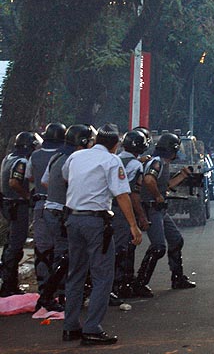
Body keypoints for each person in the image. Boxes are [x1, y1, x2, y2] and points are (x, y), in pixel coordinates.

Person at [61, 123, 142, 345]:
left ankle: (70, 327)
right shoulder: (111, 160)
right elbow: (122, 195)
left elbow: (65, 177)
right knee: (102, 276)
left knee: (75, 274)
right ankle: (92, 328)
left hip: (73, 219)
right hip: (96, 222)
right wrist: (133, 226)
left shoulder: (76, 157)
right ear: (115, 145)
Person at [37, 124, 96, 312]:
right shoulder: (74, 159)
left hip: (49, 208)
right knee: (65, 256)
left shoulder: (57, 156)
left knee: (60, 253)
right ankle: (51, 296)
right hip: (62, 212)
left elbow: (45, 181)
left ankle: (54, 293)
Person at [133, 132, 196, 298]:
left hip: (159, 210)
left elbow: (165, 185)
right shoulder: (156, 162)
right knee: (158, 247)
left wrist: (182, 176)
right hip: (152, 208)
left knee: (176, 240)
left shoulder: (162, 163)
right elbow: (149, 181)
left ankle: (177, 278)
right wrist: (157, 196)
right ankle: (140, 283)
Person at [25, 122, 66, 311]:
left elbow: (31, 178)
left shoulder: (35, 155)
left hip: (40, 205)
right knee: (61, 250)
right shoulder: (65, 157)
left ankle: (43, 290)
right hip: (60, 206)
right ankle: (59, 291)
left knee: (42, 250)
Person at [0, 132, 43, 297]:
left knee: (11, 244)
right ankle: (8, 285)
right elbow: (14, 182)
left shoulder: (8, 158)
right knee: (16, 245)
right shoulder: (22, 161)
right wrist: (27, 196)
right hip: (18, 205)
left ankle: (8, 282)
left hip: (8, 204)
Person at [111, 130, 150, 300]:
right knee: (124, 247)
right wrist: (140, 217)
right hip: (122, 209)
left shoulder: (115, 159)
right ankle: (119, 284)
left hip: (106, 208)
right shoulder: (136, 165)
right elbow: (134, 194)